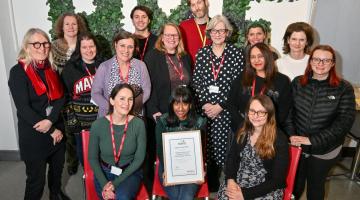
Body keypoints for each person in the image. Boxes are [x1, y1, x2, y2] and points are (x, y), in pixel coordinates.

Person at [284, 45, 356, 200]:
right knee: (294, 186)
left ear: (332, 63)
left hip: (325, 150)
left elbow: (343, 123)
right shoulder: (298, 83)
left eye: (326, 60)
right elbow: (288, 113)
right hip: (298, 146)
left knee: (315, 188)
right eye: (316, 59)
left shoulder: (343, 88)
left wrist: (312, 140)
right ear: (310, 62)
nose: (320, 64)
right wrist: (292, 136)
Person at [8, 28, 69, 200]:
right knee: (36, 182)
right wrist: (50, 129)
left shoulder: (52, 68)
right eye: (36, 44)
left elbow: (61, 98)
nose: (41, 48)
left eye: (45, 43)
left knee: (56, 176)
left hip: (56, 129)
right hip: (34, 135)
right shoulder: (17, 72)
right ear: (26, 47)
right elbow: (24, 108)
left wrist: (51, 121)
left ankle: (55, 195)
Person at [192, 15, 245, 191]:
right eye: (214, 30)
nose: (218, 34)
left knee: (224, 150)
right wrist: (206, 103)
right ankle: (210, 187)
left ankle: (224, 185)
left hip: (225, 111)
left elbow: (237, 85)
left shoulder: (236, 54)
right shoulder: (202, 53)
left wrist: (220, 105)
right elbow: (196, 81)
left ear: (227, 32)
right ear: (209, 32)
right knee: (205, 149)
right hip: (204, 110)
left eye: (221, 30)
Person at [218, 95, 289, 200]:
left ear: (269, 114)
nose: (255, 116)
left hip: (266, 186)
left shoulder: (279, 139)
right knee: (225, 196)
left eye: (261, 112)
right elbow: (232, 157)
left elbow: (277, 180)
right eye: (252, 111)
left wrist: (244, 194)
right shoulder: (243, 128)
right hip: (239, 178)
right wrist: (230, 180)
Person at [89, 83, 146, 200]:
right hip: (104, 172)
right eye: (122, 98)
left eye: (130, 99)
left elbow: (139, 160)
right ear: (112, 100)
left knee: (122, 197)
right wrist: (105, 184)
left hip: (129, 172)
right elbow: (93, 158)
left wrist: (114, 184)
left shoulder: (138, 124)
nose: (127, 103)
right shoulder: (97, 125)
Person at [52, 12, 88, 176]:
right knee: (69, 131)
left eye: (74, 23)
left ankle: (87, 161)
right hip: (61, 95)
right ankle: (71, 162)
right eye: (67, 24)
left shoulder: (84, 43)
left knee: (83, 129)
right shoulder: (53, 47)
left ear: (79, 25)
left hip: (81, 93)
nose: (71, 27)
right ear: (62, 26)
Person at [155, 86, 207, 200]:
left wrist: (201, 170)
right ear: (171, 104)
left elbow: (202, 150)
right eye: (177, 103)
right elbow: (160, 150)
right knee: (176, 196)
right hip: (168, 166)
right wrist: (166, 170)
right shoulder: (162, 121)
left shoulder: (200, 122)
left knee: (186, 197)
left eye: (185, 104)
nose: (181, 108)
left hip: (192, 169)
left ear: (191, 105)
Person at [226, 43, 291, 133]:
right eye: (252, 57)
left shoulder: (282, 81)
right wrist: (243, 125)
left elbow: (283, 112)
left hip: (267, 132)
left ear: (267, 57)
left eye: (260, 56)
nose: (256, 60)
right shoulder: (243, 76)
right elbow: (230, 103)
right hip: (242, 130)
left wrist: (265, 129)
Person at [61, 32, 103, 166]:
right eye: (84, 47)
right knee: (85, 157)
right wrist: (73, 121)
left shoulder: (105, 65)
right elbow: (65, 96)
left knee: (104, 155)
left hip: (103, 121)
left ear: (97, 47)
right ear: (79, 49)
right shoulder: (70, 68)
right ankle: (89, 183)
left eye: (91, 46)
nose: (89, 50)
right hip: (82, 124)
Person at [91, 30, 151, 118]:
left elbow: (147, 91)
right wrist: (113, 108)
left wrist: (130, 108)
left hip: (135, 116)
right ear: (115, 45)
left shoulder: (141, 65)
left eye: (130, 47)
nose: (126, 50)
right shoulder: (104, 67)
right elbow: (95, 93)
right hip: (109, 117)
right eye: (122, 46)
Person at [145, 23, 192, 121]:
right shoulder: (152, 57)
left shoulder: (185, 56)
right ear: (162, 37)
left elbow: (191, 85)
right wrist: (153, 110)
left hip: (184, 112)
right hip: (162, 113)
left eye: (175, 35)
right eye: (168, 35)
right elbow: (147, 86)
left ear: (179, 38)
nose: (172, 38)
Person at [179, 0, 212, 70]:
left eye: (199, 3)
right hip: (191, 74)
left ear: (206, 3)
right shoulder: (183, 27)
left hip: (212, 74)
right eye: (193, 5)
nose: (197, 8)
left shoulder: (216, 26)